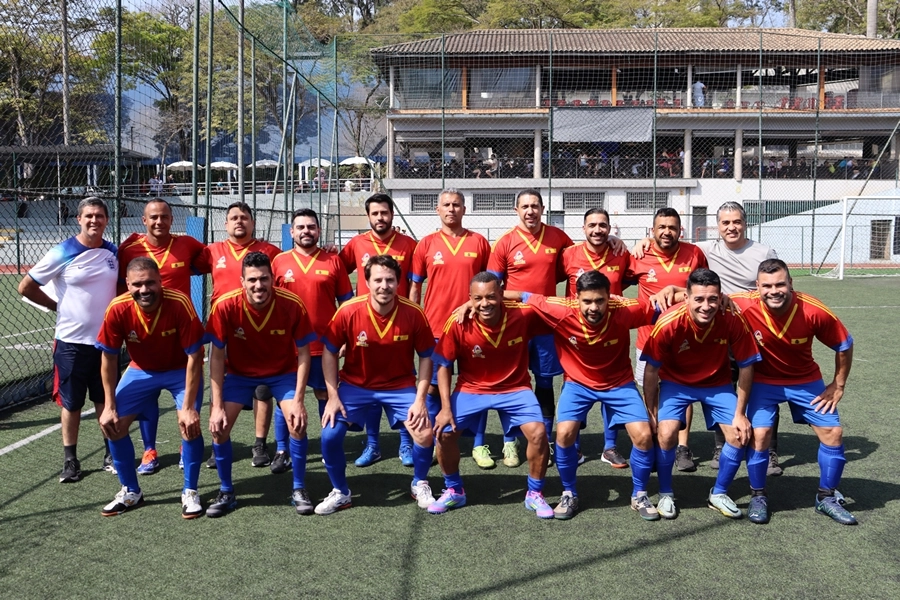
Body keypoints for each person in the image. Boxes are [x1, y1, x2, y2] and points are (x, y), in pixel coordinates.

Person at [636, 201, 782, 474]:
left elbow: (774, 284)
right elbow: (668, 242)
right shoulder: (706, 250)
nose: (731, 227)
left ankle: (769, 449)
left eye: (736, 221)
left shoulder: (763, 252)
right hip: (717, 327)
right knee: (723, 383)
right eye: (725, 223)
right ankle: (718, 445)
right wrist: (646, 240)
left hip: (757, 332)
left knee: (763, 389)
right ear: (718, 227)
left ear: (745, 223)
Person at [508, 271, 663, 520]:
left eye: (600, 301)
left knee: (644, 436)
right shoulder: (559, 309)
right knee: (565, 432)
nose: (594, 307)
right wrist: (473, 301)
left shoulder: (625, 309)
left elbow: (671, 304)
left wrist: (670, 291)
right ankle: (569, 492)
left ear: (609, 298)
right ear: (576, 298)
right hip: (577, 383)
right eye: (587, 301)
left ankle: (639, 494)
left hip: (619, 383)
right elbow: (521, 295)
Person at [731, 259, 857, 525]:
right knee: (761, 434)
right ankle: (758, 495)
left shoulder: (813, 310)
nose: (773, 291)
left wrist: (838, 384)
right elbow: (706, 296)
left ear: (791, 283)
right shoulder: (741, 303)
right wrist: (669, 292)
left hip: (804, 380)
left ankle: (826, 497)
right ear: (757, 286)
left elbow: (844, 344)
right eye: (767, 286)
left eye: (780, 284)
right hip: (763, 381)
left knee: (833, 433)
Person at [317, 255, 436, 515]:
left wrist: (419, 398)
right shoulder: (348, 310)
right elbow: (329, 351)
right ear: (367, 282)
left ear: (398, 283)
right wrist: (333, 395)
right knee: (329, 435)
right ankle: (341, 492)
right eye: (378, 280)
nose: (384, 286)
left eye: (390, 280)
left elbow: (427, 355)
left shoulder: (413, 313)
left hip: (400, 386)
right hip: (355, 385)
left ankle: (420, 483)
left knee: (425, 432)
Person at [428, 272, 551, 517]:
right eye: (478, 298)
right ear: (470, 299)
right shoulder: (458, 322)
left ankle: (534, 493)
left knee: (538, 433)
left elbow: (545, 303)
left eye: (492, 297)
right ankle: (454, 491)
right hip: (472, 388)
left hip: (515, 388)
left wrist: (519, 295)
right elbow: (443, 365)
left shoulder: (522, 315)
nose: (485, 304)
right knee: (444, 432)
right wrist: (445, 407)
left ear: (502, 293)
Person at [642, 268, 761, 519]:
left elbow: (746, 365)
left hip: (717, 384)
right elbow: (651, 371)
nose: (706, 306)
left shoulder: (731, 318)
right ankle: (665, 493)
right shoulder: (668, 322)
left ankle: (718, 493)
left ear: (721, 297)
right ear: (686, 298)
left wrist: (740, 413)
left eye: (712, 299)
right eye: (698, 299)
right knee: (665, 434)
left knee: (740, 435)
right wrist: (651, 412)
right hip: (676, 383)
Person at [204, 252, 316, 517]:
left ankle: (299, 488)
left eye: (264, 279)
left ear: (273, 280)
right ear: (242, 281)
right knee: (219, 429)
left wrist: (298, 401)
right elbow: (216, 357)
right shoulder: (225, 305)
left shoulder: (291, 304)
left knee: (297, 423)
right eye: (252, 280)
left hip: (282, 373)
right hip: (240, 376)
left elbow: (303, 353)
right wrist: (216, 405)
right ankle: (226, 491)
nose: (258, 285)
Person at [18, 197, 118, 483]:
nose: (94, 221)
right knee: (71, 404)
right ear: (79, 219)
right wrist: (56, 306)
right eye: (88, 216)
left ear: (106, 220)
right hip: (71, 343)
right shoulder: (63, 250)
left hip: (106, 344)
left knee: (105, 401)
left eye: (99, 216)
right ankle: (71, 460)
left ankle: (111, 455)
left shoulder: (113, 252)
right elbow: (25, 286)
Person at [95, 258, 205, 517]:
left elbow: (195, 356)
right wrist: (109, 406)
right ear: (128, 285)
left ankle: (190, 491)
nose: (144, 290)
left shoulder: (179, 303)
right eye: (137, 284)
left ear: (160, 282)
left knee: (188, 424)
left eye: (150, 283)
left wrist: (188, 407)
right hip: (140, 369)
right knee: (113, 425)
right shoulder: (118, 308)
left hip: (180, 369)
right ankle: (131, 491)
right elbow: (108, 358)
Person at [117, 199, 206, 475]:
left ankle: (185, 447)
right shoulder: (128, 249)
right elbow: (121, 288)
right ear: (144, 220)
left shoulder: (188, 244)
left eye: (165, 217)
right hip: (145, 336)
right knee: (145, 400)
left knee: (189, 404)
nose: (159, 222)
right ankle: (149, 449)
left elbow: (217, 259)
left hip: (180, 336)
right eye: (153, 217)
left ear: (171, 219)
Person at [487, 188, 573, 467]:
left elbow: (578, 261)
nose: (530, 211)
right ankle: (509, 441)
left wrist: (612, 240)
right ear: (516, 210)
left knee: (545, 381)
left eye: (535, 205)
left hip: (547, 324)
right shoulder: (505, 242)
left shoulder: (558, 238)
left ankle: (544, 438)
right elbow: (492, 286)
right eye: (525, 206)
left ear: (543, 208)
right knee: (511, 381)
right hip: (513, 325)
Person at [409, 189, 493, 468]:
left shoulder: (479, 242)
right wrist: (413, 320)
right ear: (437, 209)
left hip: (473, 327)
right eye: (446, 205)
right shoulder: (426, 244)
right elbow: (415, 287)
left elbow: (489, 285)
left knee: (478, 385)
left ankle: (480, 444)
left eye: (456, 205)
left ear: (464, 209)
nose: (451, 209)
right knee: (432, 389)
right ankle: (437, 438)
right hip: (435, 328)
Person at [196, 202, 282, 468]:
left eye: (244, 217)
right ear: (226, 224)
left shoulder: (270, 252)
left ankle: (259, 444)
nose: (239, 222)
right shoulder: (212, 251)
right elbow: (182, 267)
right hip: (223, 330)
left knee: (262, 389)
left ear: (252, 222)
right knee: (218, 386)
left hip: (259, 329)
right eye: (234, 218)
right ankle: (219, 444)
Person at [339, 193, 418, 468]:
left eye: (384, 212)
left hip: (400, 324)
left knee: (403, 380)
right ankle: (373, 444)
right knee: (369, 384)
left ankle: (406, 444)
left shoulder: (409, 245)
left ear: (392, 214)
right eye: (375, 213)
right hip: (364, 326)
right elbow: (338, 271)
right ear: (369, 216)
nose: (380, 218)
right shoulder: (356, 244)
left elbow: (417, 281)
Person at [271, 208, 353, 473]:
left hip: (324, 346)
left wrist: (345, 339)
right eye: (301, 227)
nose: (306, 231)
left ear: (318, 231)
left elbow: (347, 304)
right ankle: (282, 449)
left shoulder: (333, 261)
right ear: (291, 231)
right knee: (285, 398)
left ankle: (327, 448)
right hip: (286, 346)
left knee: (323, 394)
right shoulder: (279, 261)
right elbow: (268, 303)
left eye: (311, 227)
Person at [626, 207, 707, 472]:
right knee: (649, 391)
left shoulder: (694, 253)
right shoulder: (639, 256)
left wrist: (677, 292)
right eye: (661, 227)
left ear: (680, 230)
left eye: (672, 227)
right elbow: (615, 280)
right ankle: (653, 438)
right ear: (653, 230)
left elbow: (704, 290)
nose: (667, 232)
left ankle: (682, 447)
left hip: (685, 340)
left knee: (682, 393)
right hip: (648, 340)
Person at [560, 208, 633, 470]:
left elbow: (640, 274)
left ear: (610, 228)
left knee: (612, 385)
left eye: (603, 225)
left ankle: (610, 447)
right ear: (583, 228)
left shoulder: (621, 253)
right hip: (576, 335)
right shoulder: (568, 255)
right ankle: (575, 447)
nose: (597, 230)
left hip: (613, 332)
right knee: (574, 385)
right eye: (592, 225)